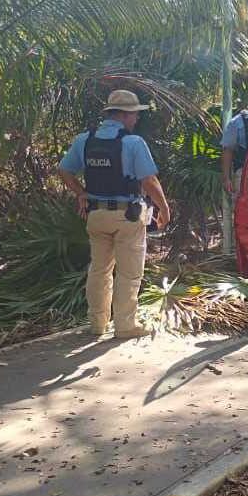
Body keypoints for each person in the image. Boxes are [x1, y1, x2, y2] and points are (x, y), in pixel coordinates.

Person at [58, 90, 171, 338]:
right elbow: (149, 180)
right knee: (129, 273)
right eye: (134, 114)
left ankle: (97, 324)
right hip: (127, 216)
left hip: (96, 215)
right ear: (123, 114)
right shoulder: (133, 143)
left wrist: (81, 193)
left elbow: (65, 171)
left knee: (99, 270)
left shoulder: (84, 140)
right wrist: (163, 207)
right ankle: (125, 325)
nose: (136, 119)